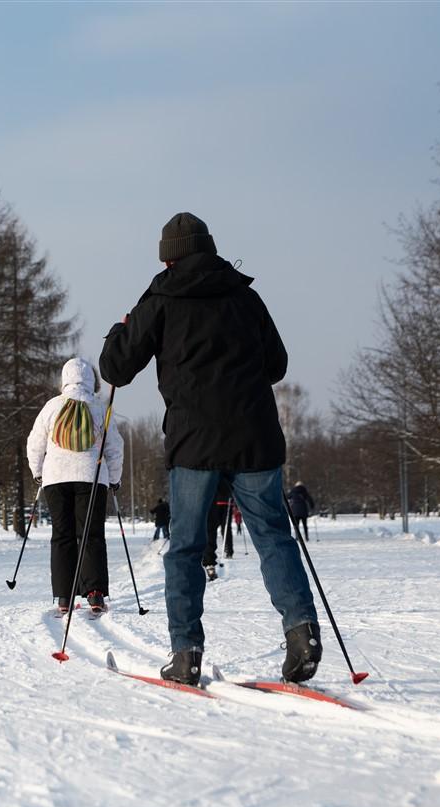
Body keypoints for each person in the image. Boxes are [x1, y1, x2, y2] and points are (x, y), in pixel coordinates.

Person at [99, 212, 322, 685]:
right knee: (273, 537)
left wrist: (119, 331)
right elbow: (277, 365)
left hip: (194, 441)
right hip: (255, 436)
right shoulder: (246, 296)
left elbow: (116, 368)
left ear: (168, 256)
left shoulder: (159, 299)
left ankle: (186, 655)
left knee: (184, 548)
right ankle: (302, 632)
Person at [27, 357, 124, 615]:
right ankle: (94, 593)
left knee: (62, 536)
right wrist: (114, 478)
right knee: (91, 535)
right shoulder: (99, 407)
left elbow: (34, 443)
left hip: (56, 479)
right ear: (91, 380)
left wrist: (38, 473)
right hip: (91, 478)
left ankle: (64, 596)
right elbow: (114, 447)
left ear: (64, 378)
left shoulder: (51, 407)